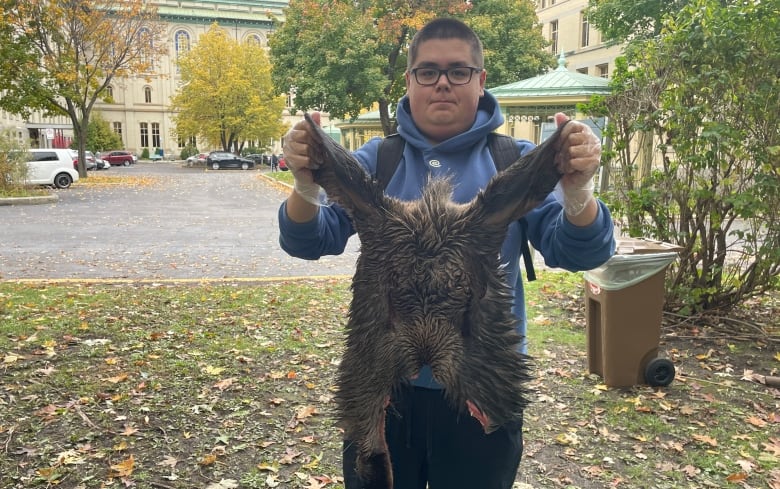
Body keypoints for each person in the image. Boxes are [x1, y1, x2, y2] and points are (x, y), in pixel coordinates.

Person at [278, 17, 615, 489]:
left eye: (458, 71)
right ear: (410, 80)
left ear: (480, 80)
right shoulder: (378, 159)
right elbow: (308, 240)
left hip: (482, 387)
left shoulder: (514, 159)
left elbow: (578, 250)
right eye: (428, 71)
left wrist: (578, 193)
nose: (442, 83)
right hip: (382, 391)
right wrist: (305, 183)